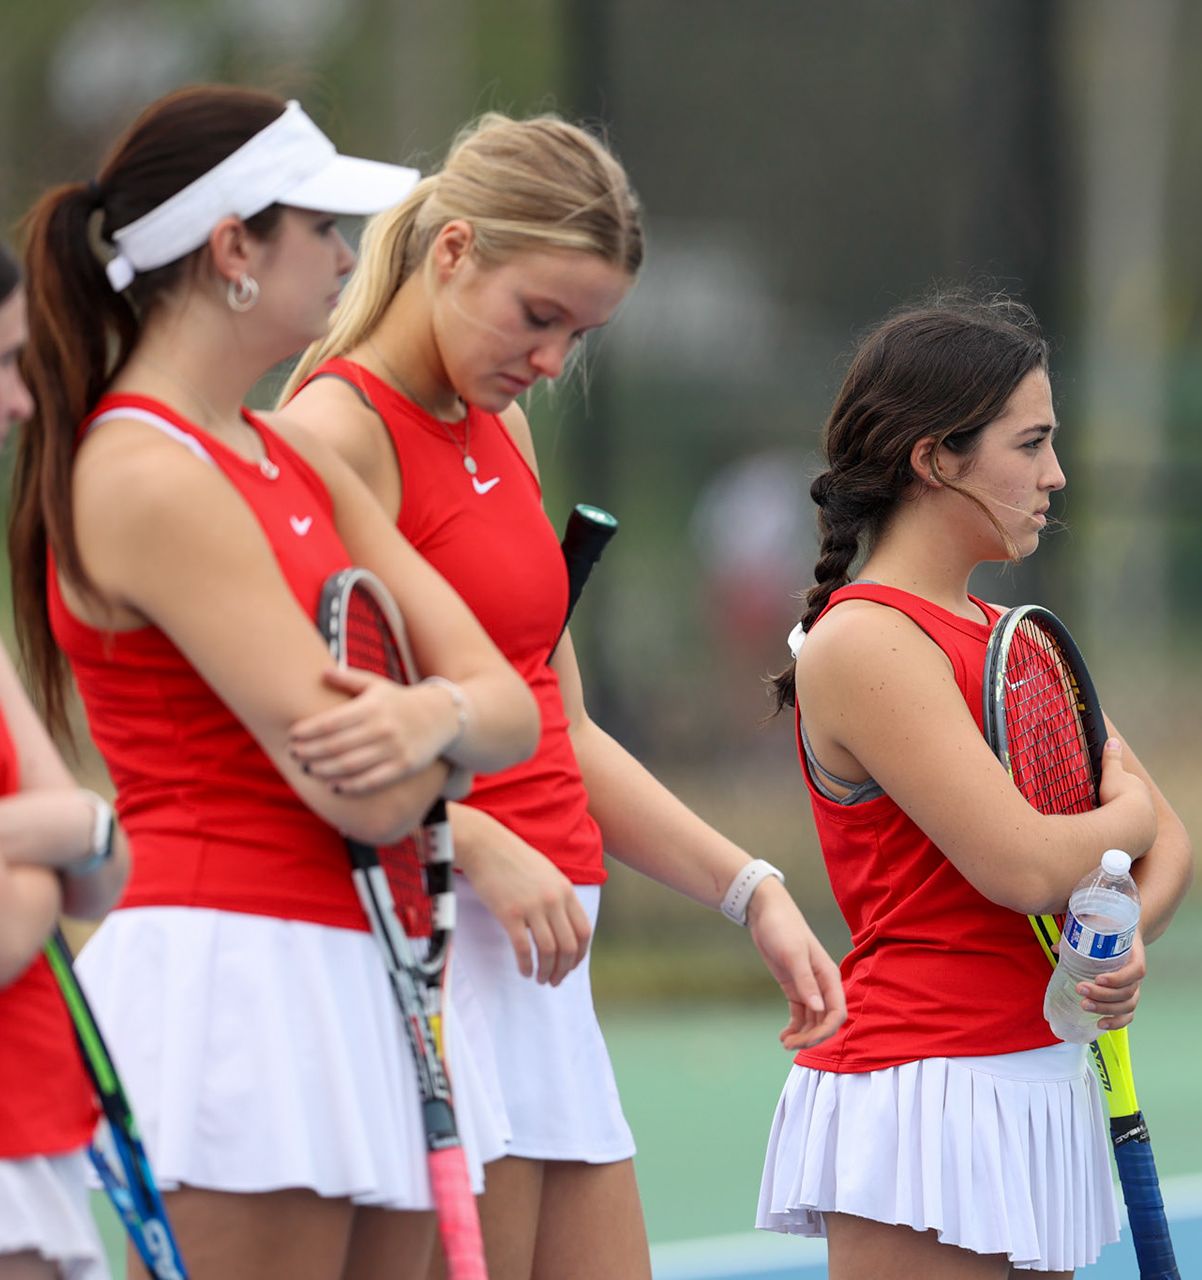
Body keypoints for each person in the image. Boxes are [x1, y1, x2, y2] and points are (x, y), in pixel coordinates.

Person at [274, 112, 847, 1280]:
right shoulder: (333, 430)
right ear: (452, 251)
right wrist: (469, 837)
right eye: (539, 316)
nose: (550, 361)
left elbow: (561, 725)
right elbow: (293, 733)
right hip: (443, 956)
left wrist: (752, 889)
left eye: (578, 335)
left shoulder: (505, 425)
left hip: (547, 966)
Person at [11, 87, 541, 1280]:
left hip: (362, 965)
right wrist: (452, 736)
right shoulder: (144, 472)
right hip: (238, 987)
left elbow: (510, 703)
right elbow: (364, 790)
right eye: (322, 229)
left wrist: (434, 719)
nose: (350, 258)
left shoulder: (288, 445)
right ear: (232, 250)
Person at [757, 294, 1192, 1278]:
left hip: (1039, 1071)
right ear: (936, 459)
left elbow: (1172, 851)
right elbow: (1027, 867)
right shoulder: (866, 639)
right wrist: (1125, 817)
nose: (1056, 473)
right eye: (1030, 443)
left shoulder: (1011, 638)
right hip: (927, 1087)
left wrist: (1115, 941)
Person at [0, 222, 132, 1280]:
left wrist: (32, 830)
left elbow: (104, 862)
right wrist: (63, 831)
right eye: (1, 362)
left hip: (31, 1132)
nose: (24, 400)